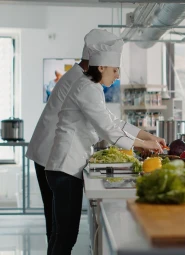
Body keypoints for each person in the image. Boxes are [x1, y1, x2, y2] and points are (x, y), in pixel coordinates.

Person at [26, 29, 165, 247]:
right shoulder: (86, 88)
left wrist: (147, 135)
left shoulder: (91, 86)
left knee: (60, 233)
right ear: (101, 67)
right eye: (115, 70)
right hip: (64, 165)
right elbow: (108, 129)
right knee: (64, 235)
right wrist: (143, 144)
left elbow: (113, 121)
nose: (118, 76)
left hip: (63, 164)